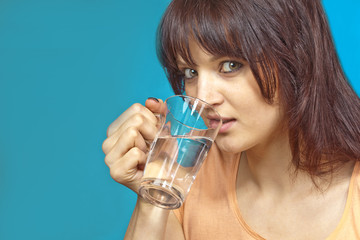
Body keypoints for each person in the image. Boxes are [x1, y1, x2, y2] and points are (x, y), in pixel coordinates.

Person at [102, 0, 360, 239]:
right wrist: (154, 194)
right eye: (190, 72)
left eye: (230, 66)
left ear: (297, 57)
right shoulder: (184, 180)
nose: (204, 98)